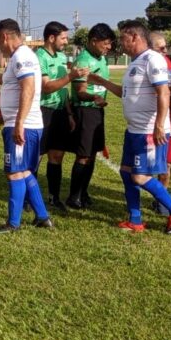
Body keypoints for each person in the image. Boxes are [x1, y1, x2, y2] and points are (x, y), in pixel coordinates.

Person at [87, 22, 171, 234]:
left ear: (134, 37)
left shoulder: (153, 59)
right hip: (134, 130)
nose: (120, 43)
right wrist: (100, 81)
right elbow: (124, 92)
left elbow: (163, 92)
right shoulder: (136, 62)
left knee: (140, 177)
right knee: (126, 173)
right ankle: (135, 219)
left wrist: (159, 126)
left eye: (123, 38)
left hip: (148, 131)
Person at [0, 18, 53, 233]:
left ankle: (13, 223)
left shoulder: (22, 56)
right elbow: (9, 82)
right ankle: (42, 217)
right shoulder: (20, 57)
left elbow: (28, 88)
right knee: (25, 172)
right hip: (24, 123)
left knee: (14, 173)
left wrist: (19, 122)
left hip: (23, 125)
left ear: (5, 36)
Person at [36, 21, 86, 211]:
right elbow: (46, 87)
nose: (66, 41)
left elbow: (62, 89)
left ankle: (53, 197)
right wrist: (71, 76)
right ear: (51, 37)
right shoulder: (39, 57)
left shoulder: (60, 56)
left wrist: (69, 113)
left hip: (60, 112)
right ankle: (27, 198)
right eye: (63, 38)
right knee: (37, 157)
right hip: (42, 111)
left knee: (57, 155)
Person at [67, 23, 116, 209]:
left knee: (93, 154)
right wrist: (93, 97)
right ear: (93, 41)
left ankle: (83, 192)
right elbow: (80, 91)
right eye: (106, 43)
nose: (109, 47)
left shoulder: (102, 60)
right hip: (85, 111)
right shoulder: (83, 60)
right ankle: (74, 196)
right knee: (83, 155)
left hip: (97, 111)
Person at [148, 31, 171, 214]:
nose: (164, 51)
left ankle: (161, 200)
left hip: (169, 121)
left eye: (165, 47)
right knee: (146, 165)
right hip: (149, 121)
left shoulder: (168, 63)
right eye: (160, 48)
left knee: (167, 164)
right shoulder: (145, 63)